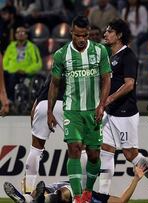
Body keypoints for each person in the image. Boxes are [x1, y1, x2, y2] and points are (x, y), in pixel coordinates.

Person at [100, 18, 148, 203]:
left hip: (125, 113)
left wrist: (110, 98)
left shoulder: (128, 56)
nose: (105, 34)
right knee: (105, 151)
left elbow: (129, 85)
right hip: (109, 112)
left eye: (110, 31)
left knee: (131, 155)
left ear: (119, 35)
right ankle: (102, 196)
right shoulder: (109, 55)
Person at [47, 15, 112, 203]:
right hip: (72, 110)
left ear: (89, 33)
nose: (82, 39)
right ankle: (77, 198)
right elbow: (55, 84)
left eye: (85, 35)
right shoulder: (61, 55)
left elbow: (106, 78)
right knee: (74, 148)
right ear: (71, 33)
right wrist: (50, 111)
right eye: (78, 35)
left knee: (93, 155)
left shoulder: (100, 51)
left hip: (94, 110)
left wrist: (102, 105)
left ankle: (88, 191)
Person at [24, 75, 89, 195]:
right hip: (67, 105)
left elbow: (34, 107)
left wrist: (34, 128)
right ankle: (84, 193)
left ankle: (27, 193)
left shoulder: (53, 70)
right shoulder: (79, 64)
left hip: (43, 104)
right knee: (83, 149)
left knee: (35, 150)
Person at [3, 166, 147, 203]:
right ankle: (32, 198)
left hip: (67, 193)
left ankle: (26, 199)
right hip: (68, 190)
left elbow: (122, 200)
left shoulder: (98, 197)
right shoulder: (92, 195)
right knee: (44, 192)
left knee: (38, 195)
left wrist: (136, 179)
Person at [3, 25, 42, 102]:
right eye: (18, 32)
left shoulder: (32, 47)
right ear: (15, 35)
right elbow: (4, 62)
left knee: (13, 77)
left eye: (23, 32)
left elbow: (38, 64)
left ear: (26, 35)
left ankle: (10, 99)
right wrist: (6, 70)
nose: (20, 34)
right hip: (10, 72)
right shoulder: (10, 47)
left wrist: (26, 70)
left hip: (24, 72)